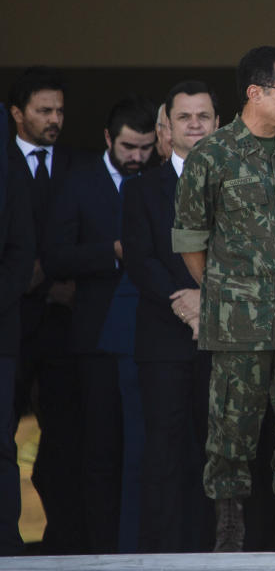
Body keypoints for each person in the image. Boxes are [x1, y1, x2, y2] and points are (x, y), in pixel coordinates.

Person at [172, 46, 275, 553]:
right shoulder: (211, 155)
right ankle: (229, 534)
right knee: (231, 430)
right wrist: (225, 293)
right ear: (255, 92)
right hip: (240, 322)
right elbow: (191, 241)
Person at [45, 95, 157, 553]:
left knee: (150, 450)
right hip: (95, 337)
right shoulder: (77, 182)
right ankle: (100, 550)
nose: (137, 157)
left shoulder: (160, 181)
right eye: (129, 147)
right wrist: (109, 253)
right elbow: (53, 255)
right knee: (100, 450)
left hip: (153, 335)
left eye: (147, 147)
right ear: (108, 138)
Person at [123, 80, 220, 553]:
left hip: (225, 338)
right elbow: (140, 259)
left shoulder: (239, 182)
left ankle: (212, 553)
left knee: (218, 451)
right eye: (185, 117)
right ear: (168, 127)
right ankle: (161, 554)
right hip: (164, 337)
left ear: (218, 124)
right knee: (163, 450)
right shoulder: (142, 188)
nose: (195, 124)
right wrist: (183, 300)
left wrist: (210, 300)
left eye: (203, 116)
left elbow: (249, 254)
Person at [6, 66, 92, 553]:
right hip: (12, 323)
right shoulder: (2, 163)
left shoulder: (78, 166)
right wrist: (31, 281)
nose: (55, 118)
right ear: (17, 114)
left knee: (62, 443)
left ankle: (61, 542)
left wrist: (61, 280)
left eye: (59, 109)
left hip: (63, 326)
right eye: (43, 111)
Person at [0, 103, 35, 556]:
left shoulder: (10, 171)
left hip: (1, 328)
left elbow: (20, 251)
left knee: (2, 444)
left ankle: (5, 542)